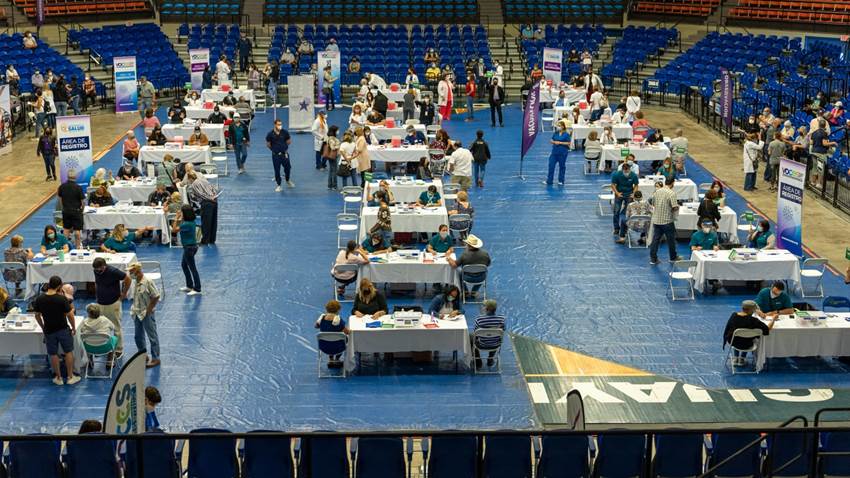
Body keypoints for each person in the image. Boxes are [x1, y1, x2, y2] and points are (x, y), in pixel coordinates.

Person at [33, 276, 80, 385]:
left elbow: (37, 315)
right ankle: (70, 377)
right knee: (68, 351)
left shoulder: (40, 299)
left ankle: (58, 378)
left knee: (53, 354)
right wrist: (73, 327)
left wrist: (42, 327)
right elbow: (70, 315)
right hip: (63, 329)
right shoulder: (61, 299)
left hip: (49, 330)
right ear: (59, 286)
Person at [92, 257, 130, 356]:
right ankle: (105, 345)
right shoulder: (96, 270)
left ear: (104, 266)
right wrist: (97, 294)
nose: (97, 271)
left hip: (113, 302)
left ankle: (118, 349)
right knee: (103, 326)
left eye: (99, 269)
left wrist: (124, 293)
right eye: (96, 270)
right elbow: (97, 282)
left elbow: (128, 279)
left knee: (116, 326)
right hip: (101, 302)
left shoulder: (113, 271)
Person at [128, 262, 161, 368]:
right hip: (137, 312)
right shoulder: (135, 281)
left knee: (152, 336)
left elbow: (156, 296)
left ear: (138, 271)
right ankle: (143, 355)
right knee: (138, 336)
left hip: (146, 313)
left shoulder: (147, 282)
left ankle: (155, 358)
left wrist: (149, 309)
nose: (130, 273)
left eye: (131, 272)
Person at [724, 300, 775, 366]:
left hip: (733, 342)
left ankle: (736, 358)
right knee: (748, 338)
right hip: (747, 344)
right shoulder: (753, 320)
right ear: (752, 310)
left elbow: (727, 329)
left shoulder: (733, 316)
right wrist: (773, 319)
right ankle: (742, 359)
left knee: (736, 336)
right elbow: (767, 329)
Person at [649, 177, 682, 265]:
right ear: (673, 183)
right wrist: (677, 207)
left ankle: (653, 259)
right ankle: (673, 257)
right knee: (671, 240)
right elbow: (674, 207)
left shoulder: (657, 192)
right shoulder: (671, 193)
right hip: (667, 221)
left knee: (655, 240)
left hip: (657, 220)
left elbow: (652, 203)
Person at [171, 204, 201, 295]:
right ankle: (189, 285)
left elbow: (173, 230)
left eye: (182, 212)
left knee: (192, 268)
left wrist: (176, 218)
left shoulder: (186, 224)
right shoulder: (190, 221)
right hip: (190, 247)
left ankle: (197, 288)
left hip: (189, 248)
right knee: (184, 265)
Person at [471, 299, 506, 368]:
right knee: (495, 337)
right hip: (495, 345)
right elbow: (503, 330)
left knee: (470, 337)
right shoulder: (502, 319)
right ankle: (490, 359)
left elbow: (475, 332)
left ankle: (478, 362)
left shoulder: (479, 319)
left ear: (486, 308)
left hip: (481, 344)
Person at [611, 162, 639, 242]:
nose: (627, 173)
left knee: (627, 212)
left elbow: (636, 185)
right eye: (625, 171)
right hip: (619, 194)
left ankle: (625, 228)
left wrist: (633, 194)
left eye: (628, 171)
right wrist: (617, 193)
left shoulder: (633, 175)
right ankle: (616, 228)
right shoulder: (617, 174)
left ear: (630, 169)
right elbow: (613, 185)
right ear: (623, 170)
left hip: (629, 195)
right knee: (616, 211)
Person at [315, 300, 349, 368]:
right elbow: (347, 332)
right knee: (344, 338)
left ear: (326, 309)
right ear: (338, 310)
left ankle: (331, 359)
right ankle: (337, 359)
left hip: (324, 347)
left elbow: (316, 326)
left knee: (329, 338)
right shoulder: (339, 320)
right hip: (338, 348)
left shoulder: (321, 319)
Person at [267, 118, 293, 191]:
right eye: (278, 124)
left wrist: (284, 147)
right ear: (275, 125)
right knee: (277, 170)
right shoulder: (270, 134)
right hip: (276, 155)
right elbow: (268, 144)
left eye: (281, 124)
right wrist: (274, 150)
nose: (280, 126)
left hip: (285, 154)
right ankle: (279, 185)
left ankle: (287, 180)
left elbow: (289, 141)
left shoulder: (285, 132)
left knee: (288, 168)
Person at [809, 119, 835, 188]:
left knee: (814, 168)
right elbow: (825, 144)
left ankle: (812, 182)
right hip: (821, 153)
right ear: (825, 125)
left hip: (814, 152)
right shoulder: (824, 133)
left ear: (819, 125)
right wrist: (833, 143)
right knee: (820, 169)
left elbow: (811, 142)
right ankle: (819, 184)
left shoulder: (814, 132)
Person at [545, 121, 571, 186]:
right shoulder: (555, 133)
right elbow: (551, 140)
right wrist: (553, 142)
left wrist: (560, 143)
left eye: (559, 125)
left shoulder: (566, 134)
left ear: (562, 126)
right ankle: (549, 181)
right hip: (554, 152)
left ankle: (561, 180)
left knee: (562, 166)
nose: (557, 127)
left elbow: (568, 143)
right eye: (557, 125)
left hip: (562, 153)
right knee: (551, 166)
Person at [324, 125, 341, 190]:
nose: (338, 131)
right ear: (334, 131)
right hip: (332, 156)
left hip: (330, 156)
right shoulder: (331, 138)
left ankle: (330, 185)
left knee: (331, 170)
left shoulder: (331, 137)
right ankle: (334, 186)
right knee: (334, 171)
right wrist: (339, 145)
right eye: (337, 130)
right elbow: (332, 147)